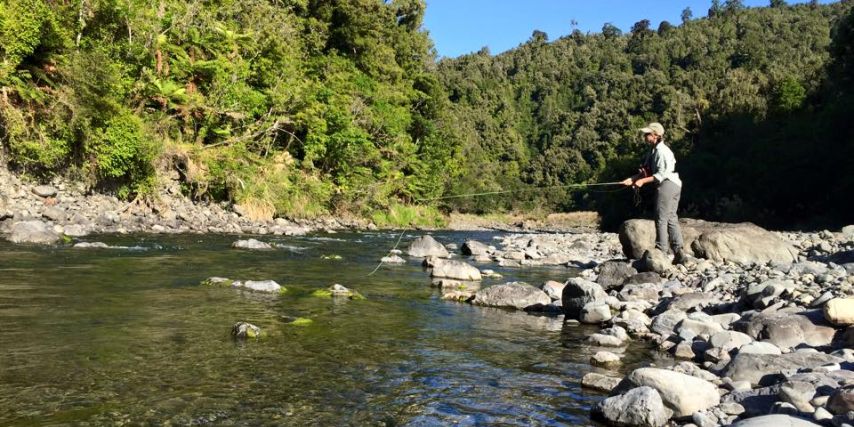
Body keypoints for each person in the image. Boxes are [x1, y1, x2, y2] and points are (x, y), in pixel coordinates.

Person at [621, 122, 687, 264]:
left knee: (660, 218)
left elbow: (661, 175)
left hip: (667, 184)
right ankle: (679, 252)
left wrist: (642, 182)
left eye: (647, 134)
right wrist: (631, 179)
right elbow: (647, 171)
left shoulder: (662, 151)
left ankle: (661, 250)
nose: (645, 136)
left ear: (656, 135)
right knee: (671, 217)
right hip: (675, 185)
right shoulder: (653, 151)